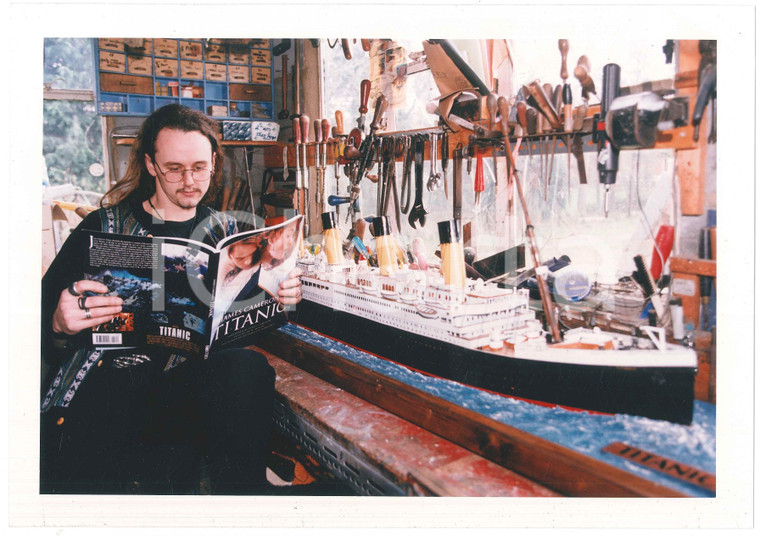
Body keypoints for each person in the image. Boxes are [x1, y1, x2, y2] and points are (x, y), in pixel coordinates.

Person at [40, 104, 303, 495]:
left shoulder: (231, 237)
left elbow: (240, 320)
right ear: (150, 165)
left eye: (198, 167)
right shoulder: (102, 226)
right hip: (105, 388)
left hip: (176, 394)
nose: (188, 181)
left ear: (214, 162)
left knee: (247, 368)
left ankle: (248, 508)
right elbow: (41, 330)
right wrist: (59, 323)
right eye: (174, 168)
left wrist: (281, 296)